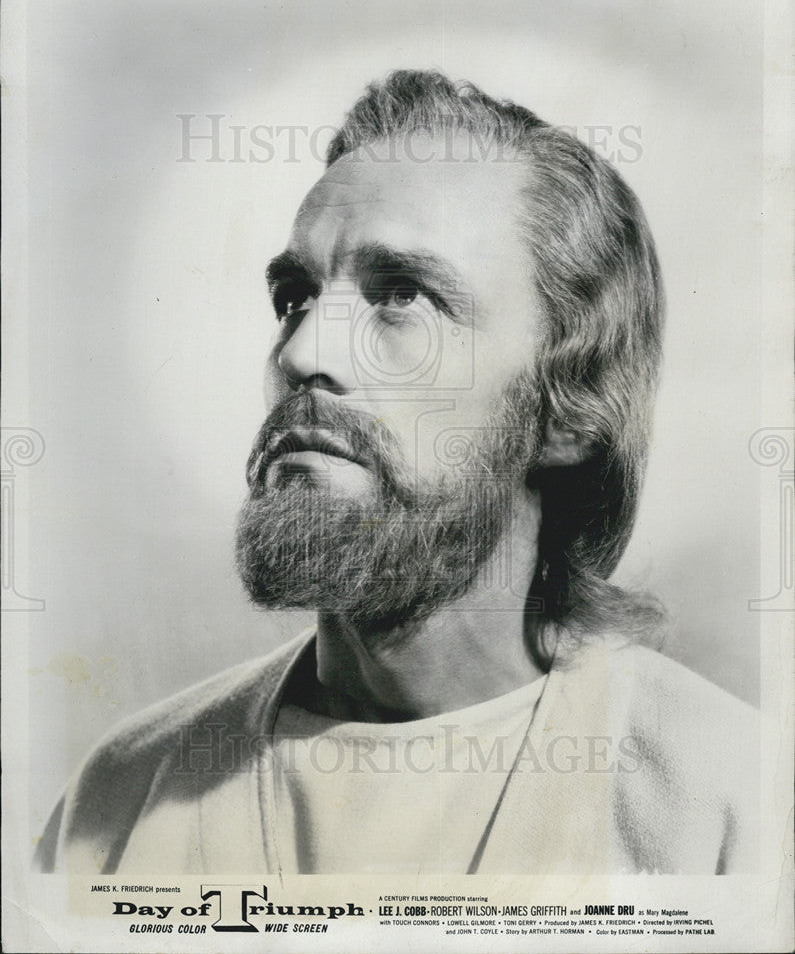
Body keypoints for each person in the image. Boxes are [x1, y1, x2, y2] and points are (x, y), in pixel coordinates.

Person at [36, 70, 756, 875]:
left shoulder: (731, 810)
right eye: (295, 298)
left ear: (568, 406)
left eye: (402, 297)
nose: (305, 354)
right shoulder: (121, 804)